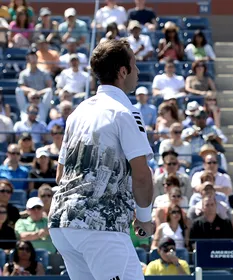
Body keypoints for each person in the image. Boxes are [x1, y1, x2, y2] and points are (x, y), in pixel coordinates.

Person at [47, 39, 155, 280]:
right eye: (134, 65)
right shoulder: (126, 112)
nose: (137, 71)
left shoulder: (78, 112)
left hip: (62, 222)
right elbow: (141, 175)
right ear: (122, 71)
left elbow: (59, 175)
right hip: (100, 226)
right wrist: (145, 220)